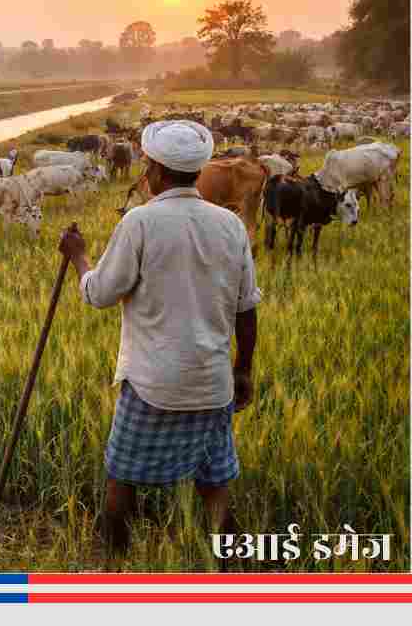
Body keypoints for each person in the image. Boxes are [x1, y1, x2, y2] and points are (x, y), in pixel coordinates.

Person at [57, 120, 261, 554]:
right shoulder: (230, 225)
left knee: (122, 478)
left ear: (156, 171)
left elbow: (99, 294)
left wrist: (78, 257)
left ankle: (113, 567)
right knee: (214, 487)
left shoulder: (141, 222)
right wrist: (242, 369)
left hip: (153, 385)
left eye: (147, 165)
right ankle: (234, 571)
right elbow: (247, 307)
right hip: (212, 382)